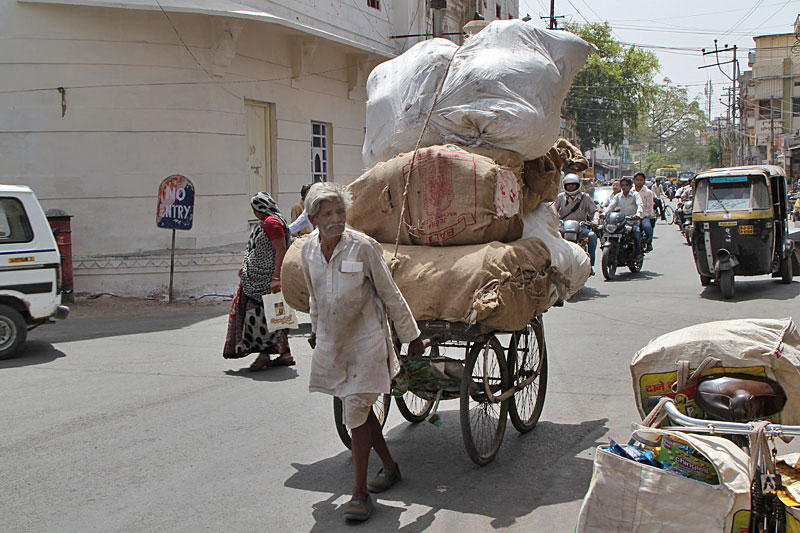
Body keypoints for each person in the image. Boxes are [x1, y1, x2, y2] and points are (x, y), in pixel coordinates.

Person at [300, 182, 424, 522]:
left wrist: (410, 335)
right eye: (327, 214)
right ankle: (390, 466)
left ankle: (359, 493)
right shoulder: (308, 251)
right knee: (359, 407)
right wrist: (314, 328)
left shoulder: (362, 247)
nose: (336, 218)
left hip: (367, 341)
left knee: (354, 408)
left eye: (340, 211)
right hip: (333, 341)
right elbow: (314, 295)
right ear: (313, 219)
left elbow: (390, 292)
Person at [222, 192, 295, 370]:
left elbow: (281, 250)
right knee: (277, 316)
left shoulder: (271, 223)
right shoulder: (272, 221)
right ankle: (285, 354)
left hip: (265, 281)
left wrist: (276, 277)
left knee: (259, 316)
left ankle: (264, 354)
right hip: (261, 278)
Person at [554, 173, 597, 274]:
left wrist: (595, 220)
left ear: (578, 185)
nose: (571, 186)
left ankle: (590, 264)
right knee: (551, 238)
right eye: (569, 185)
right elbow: (552, 211)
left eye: (573, 184)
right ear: (565, 185)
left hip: (580, 227)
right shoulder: (560, 197)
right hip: (563, 227)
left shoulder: (585, 197)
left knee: (592, 236)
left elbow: (594, 211)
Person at [603, 176, 644, 257]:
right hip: (621, 221)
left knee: (636, 232)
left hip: (632, 221)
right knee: (608, 231)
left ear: (630, 186)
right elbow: (611, 206)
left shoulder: (635, 195)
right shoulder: (618, 196)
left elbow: (640, 205)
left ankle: (637, 253)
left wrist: (638, 214)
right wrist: (604, 213)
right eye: (622, 185)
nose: (624, 187)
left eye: (626, 185)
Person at [633, 172, 655, 253]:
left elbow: (649, 208)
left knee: (647, 227)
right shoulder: (630, 191)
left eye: (641, 180)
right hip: (631, 216)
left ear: (644, 181)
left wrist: (641, 216)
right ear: (634, 180)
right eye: (637, 180)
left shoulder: (648, 192)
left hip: (644, 216)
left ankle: (648, 243)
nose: (639, 182)